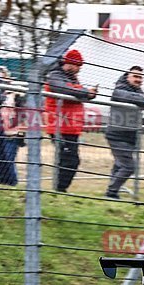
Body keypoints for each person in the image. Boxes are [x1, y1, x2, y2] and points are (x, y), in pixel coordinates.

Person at [44, 49, 96, 192]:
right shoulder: (55, 76)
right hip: (60, 126)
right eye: (78, 66)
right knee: (70, 159)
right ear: (70, 63)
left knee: (67, 159)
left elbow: (75, 91)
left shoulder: (72, 79)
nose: (79, 69)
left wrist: (88, 94)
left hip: (70, 127)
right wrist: (85, 92)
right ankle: (59, 189)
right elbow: (65, 90)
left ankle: (59, 189)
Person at [104, 66, 144, 199]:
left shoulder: (138, 92)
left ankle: (113, 189)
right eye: (135, 76)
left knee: (119, 165)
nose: (138, 80)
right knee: (128, 166)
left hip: (130, 135)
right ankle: (111, 192)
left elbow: (142, 104)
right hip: (117, 134)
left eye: (140, 77)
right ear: (127, 76)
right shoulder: (119, 89)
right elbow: (131, 98)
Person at [0, 68, 22, 186]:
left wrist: (21, 131)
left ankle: (10, 184)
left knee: (9, 161)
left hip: (11, 132)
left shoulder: (14, 93)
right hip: (2, 131)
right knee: (3, 162)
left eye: (2, 77)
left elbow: (21, 112)